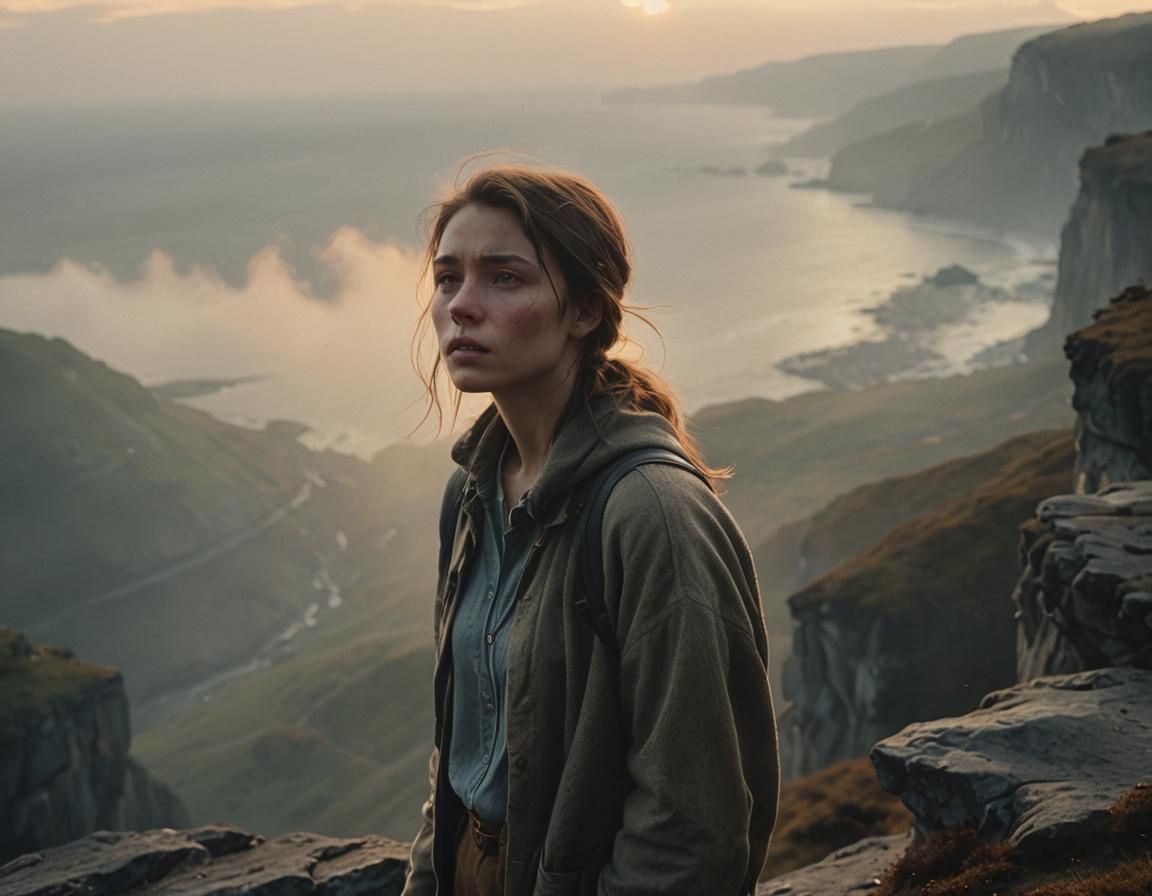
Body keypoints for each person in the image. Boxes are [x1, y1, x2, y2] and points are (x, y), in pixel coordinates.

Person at [402, 163, 779, 896]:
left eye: (504, 278)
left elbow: (692, 827)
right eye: (448, 278)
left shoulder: (654, 516)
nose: (461, 307)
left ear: (582, 310)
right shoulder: (471, 495)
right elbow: (462, 746)